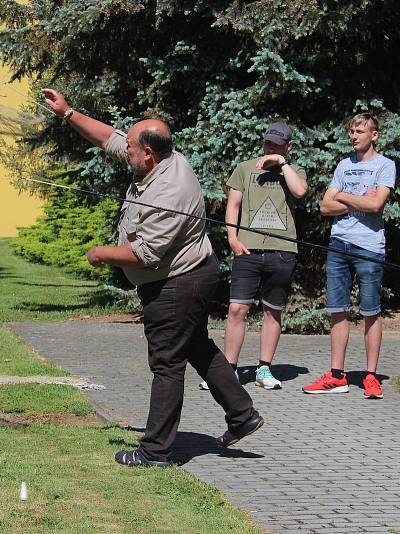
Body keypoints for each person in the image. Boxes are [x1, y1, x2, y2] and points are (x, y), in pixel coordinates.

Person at [41, 88, 263, 467]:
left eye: (131, 146)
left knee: (166, 363)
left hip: (178, 282)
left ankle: (156, 451)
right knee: (197, 347)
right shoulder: (155, 157)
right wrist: (68, 112)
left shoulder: (169, 190)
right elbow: (109, 138)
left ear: (148, 153)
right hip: (188, 274)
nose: (123, 149)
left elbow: (145, 254)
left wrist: (101, 254)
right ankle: (243, 416)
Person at [200, 123, 308, 392]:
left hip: (282, 252)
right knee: (237, 309)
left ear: (287, 146)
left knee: (273, 311)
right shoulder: (245, 168)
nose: (270, 148)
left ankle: (264, 369)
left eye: (277, 145)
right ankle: (229, 371)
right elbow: (233, 205)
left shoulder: (293, 171)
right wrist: (233, 238)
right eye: (268, 143)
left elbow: (300, 191)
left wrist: (282, 163)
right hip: (248, 251)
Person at [303, 112, 396, 399]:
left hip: (368, 246)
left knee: (370, 311)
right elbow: (324, 207)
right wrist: (355, 200)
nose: (354, 136)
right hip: (338, 245)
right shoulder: (344, 165)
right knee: (338, 310)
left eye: (359, 131)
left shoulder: (385, 165)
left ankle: (370, 376)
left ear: (374, 135)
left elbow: (376, 204)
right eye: (352, 131)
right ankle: (337, 375)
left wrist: (342, 197)